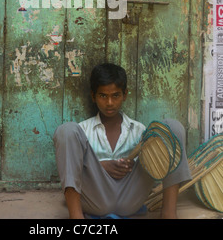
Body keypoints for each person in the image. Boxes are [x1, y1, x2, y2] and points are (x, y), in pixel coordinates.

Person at [53, 63, 192, 219]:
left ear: (125, 95)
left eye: (116, 95)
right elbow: (71, 171)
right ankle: (76, 218)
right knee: (66, 130)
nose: (110, 102)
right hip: (95, 200)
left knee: (172, 127)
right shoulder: (81, 131)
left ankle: (169, 214)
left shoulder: (139, 131)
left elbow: (153, 171)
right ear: (93, 96)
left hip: (131, 198)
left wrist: (141, 163)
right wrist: (101, 167)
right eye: (103, 96)